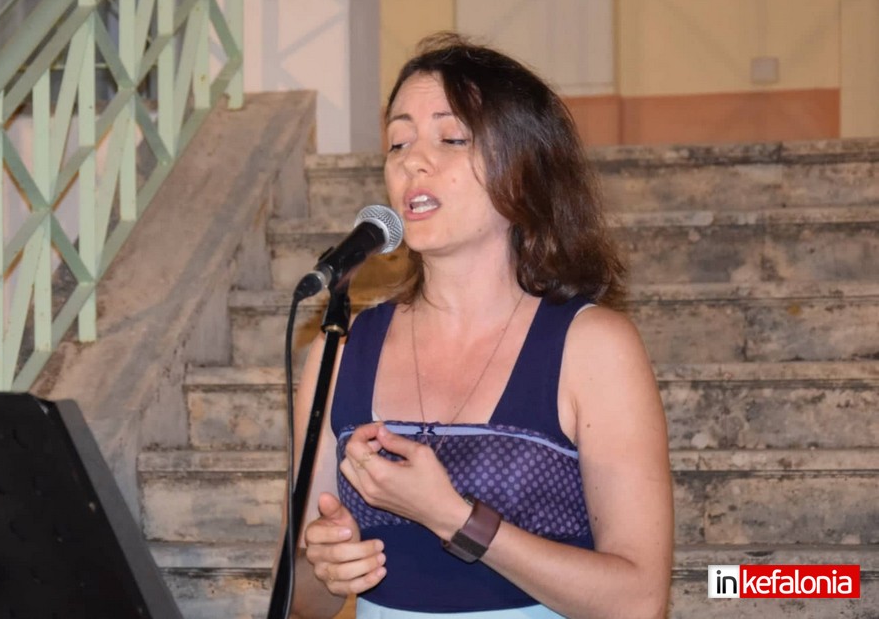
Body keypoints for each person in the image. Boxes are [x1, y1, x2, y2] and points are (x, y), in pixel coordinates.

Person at [288, 33, 673, 619]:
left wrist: (454, 518)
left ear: (521, 172)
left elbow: (640, 601)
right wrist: (323, 565)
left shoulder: (592, 347)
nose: (412, 161)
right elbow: (302, 599)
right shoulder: (339, 351)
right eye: (398, 142)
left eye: (451, 138)